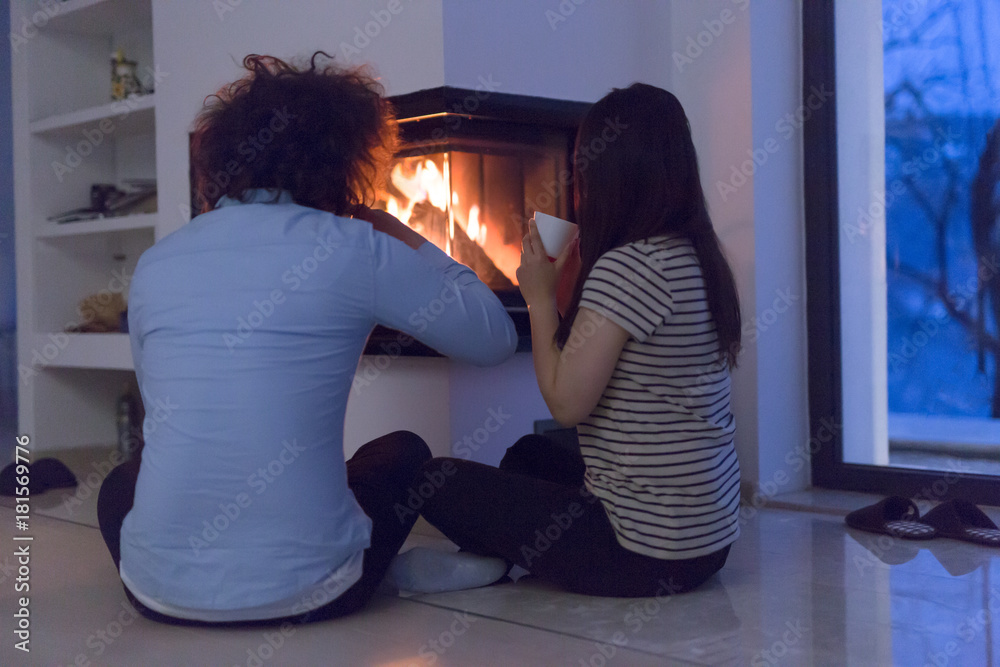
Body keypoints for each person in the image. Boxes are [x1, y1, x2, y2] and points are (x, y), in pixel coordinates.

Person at [96, 52, 517, 625]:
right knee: (402, 453)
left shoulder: (155, 262)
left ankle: (208, 567)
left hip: (155, 597)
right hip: (317, 596)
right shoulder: (352, 248)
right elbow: (493, 339)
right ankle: (383, 571)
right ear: (342, 160)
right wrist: (397, 231)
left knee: (123, 483)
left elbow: (167, 411)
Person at [402, 83, 742, 597]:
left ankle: (484, 564)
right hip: (707, 544)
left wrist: (538, 297)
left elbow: (565, 404)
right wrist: (569, 303)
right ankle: (491, 559)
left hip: (639, 553)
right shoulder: (699, 258)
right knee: (529, 455)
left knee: (433, 480)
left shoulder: (628, 266)